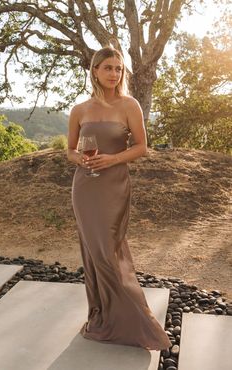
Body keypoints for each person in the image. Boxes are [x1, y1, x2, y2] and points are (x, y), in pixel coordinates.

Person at [67, 45, 172, 351]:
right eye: (108, 68)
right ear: (95, 71)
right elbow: (70, 150)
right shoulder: (80, 110)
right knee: (93, 251)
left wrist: (111, 160)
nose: (114, 74)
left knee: (110, 250)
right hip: (85, 187)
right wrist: (81, 161)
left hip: (114, 186)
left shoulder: (130, 106)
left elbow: (141, 147)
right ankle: (101, 315)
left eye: (118, 69)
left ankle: (133, 320)